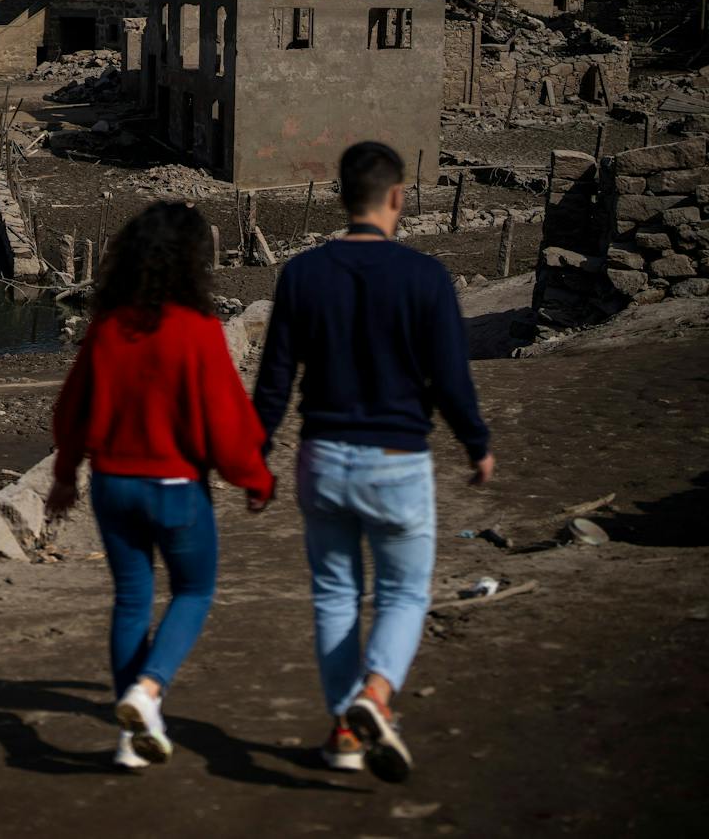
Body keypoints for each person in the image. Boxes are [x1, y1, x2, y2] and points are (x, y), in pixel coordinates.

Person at [253, 141, 494, 784]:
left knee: (335, 596)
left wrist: (254, 458)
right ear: (397, 197)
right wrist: (476, 444)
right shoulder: (425, 278)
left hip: (322, 459)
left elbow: (274, 380)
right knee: (404, 592)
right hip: (398, 460)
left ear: (341, 198)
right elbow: (449, 378)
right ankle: (377, 694)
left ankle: (343, 731)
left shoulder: (302, 274)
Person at [47, 202, 275, 771]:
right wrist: (254, 477)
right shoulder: (197, 332)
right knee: (193, 591)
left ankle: (132, 736)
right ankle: (149, 689)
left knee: (131, 600)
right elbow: (226, 422)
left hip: (113, 486)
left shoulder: (106, 328)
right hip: (175, 487)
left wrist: (62, 477)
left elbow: (71, 410)